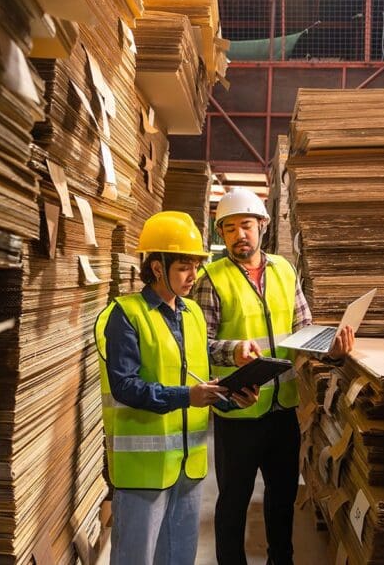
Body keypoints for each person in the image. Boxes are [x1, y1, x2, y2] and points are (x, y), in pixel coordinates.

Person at [193, 188, 354, 565]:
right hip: (238, 413)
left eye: (245, 225)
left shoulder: (284, 269)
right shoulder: (211, 278)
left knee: (281, 499)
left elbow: (303, 327)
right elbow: (201, 343)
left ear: (262, 225)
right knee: (233, 502)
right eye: (229, 229)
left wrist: (329, 347)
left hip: (284, 410)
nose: (238, 236)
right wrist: (233, 350)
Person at [95, 211, 258, 565]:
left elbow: (199, 380)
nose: (193, 276)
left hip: (189, 465)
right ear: (157, 266)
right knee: (134, 559)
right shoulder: (125, 315)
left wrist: (232, 399)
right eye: (184, 267)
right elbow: (125, 386)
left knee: (179, 558)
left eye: (196, 266)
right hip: (143, 469)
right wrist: (187, 397)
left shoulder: (194, 314)